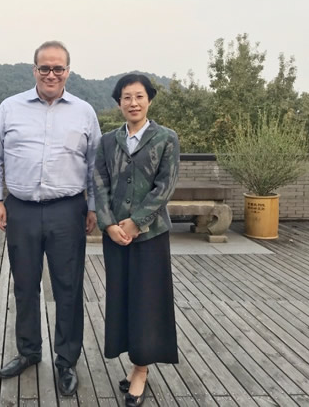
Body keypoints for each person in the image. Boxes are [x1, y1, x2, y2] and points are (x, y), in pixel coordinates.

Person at [0, 41, 101, 396]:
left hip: (68, 210)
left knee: (68, 287)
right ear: (34, 70)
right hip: (21, 208)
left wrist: (93, 206)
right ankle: (29, 351)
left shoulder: (84, 112)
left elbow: (95, 165)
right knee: (24, 285)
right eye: (44, 68)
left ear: (68, 71)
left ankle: (66, 359)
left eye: (58, 68)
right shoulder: (10, 108)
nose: (51, 74)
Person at [93, 73, 180, 407]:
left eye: (139, 96)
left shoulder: (166, 138)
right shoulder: (108, 141)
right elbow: (99, 184)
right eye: (126, 97)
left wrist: (136, 223)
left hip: (150, 236)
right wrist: (109, 225)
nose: (133, 103)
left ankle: (141, 369)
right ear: (119, 103)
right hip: (115, 235)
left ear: (149, 100)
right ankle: (132, 360)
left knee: (147, 301)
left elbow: (165, 187)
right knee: (122, 298)